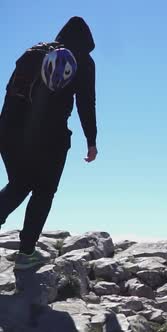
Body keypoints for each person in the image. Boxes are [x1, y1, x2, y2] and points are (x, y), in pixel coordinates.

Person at [0, 17, 98, 270]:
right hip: (50, 136)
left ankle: (25, 249)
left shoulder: (33, 52)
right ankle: (26, 253)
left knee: (20, 184)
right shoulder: (82, 61)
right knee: (43, 191)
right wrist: (91, 140)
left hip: (9, 131)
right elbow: (86, 102)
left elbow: (10, 92)